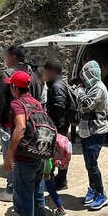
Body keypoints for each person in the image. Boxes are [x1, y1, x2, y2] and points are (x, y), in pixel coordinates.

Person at [2, 70, 47, 216]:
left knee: (24, 197)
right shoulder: (37, 103)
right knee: (37, 192)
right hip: (38, 155)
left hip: (24, 157)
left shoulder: (16, 104)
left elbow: (20, 127)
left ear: (14, 87)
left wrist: (9, 154)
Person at [0, 46, 42, 202]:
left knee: (12, 154)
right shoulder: (33, 75)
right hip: (32, 122)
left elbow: (1, 100)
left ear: (13, 56)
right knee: (29, 153)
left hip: (13, 122)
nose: (5, 59)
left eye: (6, 56)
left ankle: (10, 189)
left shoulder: (7, 74)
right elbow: (38, 97)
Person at [74, 60, 108, 211]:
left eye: (85, 75)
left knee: (92, 164)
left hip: (97, 131)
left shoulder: (99, 89)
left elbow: (86, 105)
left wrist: (79, 92)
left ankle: (101, 194)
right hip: (85, 130)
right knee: (88, 163)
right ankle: (93, 188)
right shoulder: (91, 87)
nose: (83, 79)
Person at [43, 59, 70, 190]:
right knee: (58, 152)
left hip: (58, 126)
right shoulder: (56, 84)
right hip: (59, 125)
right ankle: (58, 179)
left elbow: (59, 107)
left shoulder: (57, 86)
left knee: (58, 152)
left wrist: (49, 118)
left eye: (46, 71)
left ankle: (60, 180)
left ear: (52, 71)